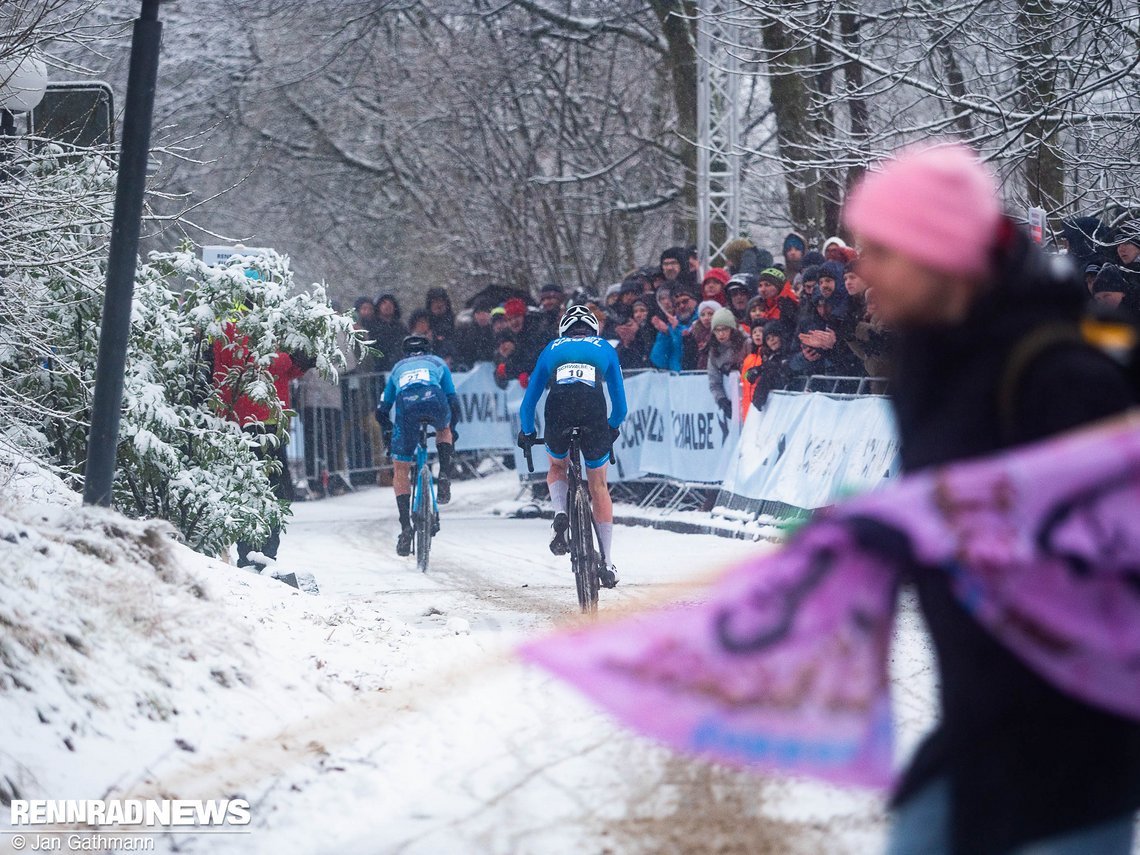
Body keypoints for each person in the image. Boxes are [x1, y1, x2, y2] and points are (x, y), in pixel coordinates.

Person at [845, 142, 1140, 855]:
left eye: (880, 250)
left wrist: (943, 533)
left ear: (937, 254)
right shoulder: (928, 366)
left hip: (1071, 767)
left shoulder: (1058, 374)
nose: (861, 270)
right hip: (974, 741)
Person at [516, 305, 627, 588]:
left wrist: (528, 433)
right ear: (593, 329)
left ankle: (560, 512)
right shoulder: (604, 346)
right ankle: (608, 561)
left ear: (564, 330)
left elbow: (528, 403)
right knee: (598, 485)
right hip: (593, 408)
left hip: (559, 407)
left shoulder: (552, 347)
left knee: (556, 465)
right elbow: (620, 406)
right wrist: (611, 427)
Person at [375, 335, 461, 556]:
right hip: (434, 398)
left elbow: (382, 410)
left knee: (401, 468)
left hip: (407, 404)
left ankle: (405, 526)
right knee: (444, 429)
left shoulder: (398, 368)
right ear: (427, 350)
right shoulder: (438, 362)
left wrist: (388, 430)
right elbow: (453, 400)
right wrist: (453, 428)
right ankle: (444, 474)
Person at [706, 307, 749, 419]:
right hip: (730, 398)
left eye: (724, 329)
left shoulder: (746, 344)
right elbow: (714, 381)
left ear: (732, 329)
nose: (721, 334)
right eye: (717, 330)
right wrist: (722, 401)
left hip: (748, 395)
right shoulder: (714, 350)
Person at [372, 293, 407, 372]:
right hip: (380, 369)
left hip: (399, 366)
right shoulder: (373, 327)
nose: (387, 306)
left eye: (390, 303)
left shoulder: (401, 327)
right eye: (384, 303)